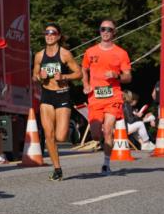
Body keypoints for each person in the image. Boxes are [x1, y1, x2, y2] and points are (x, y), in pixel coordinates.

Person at [81, 19, 132, 175]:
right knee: (96, 135)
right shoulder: (90, 52)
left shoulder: (121, 53)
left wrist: (116, 75)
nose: (106, 32)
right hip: (95, 97)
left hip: (113, 96)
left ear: (114, 32)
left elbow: (128, 77)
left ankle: (106, 164)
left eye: (109, 29)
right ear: (99, 31)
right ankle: (100, 140)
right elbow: (84, 69)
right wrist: (85, 84)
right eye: (103, 29)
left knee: (108, 129)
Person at [31, 22, 82, 180]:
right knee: (49, 135)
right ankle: (57, 169)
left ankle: (70, 125)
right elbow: (34, 76)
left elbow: (79, 73)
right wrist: (40, 77)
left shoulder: (65, 54)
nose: (49, 35)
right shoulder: (39, 55)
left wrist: (64, 76)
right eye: (47, 33)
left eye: (53, 33)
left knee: (60, 136)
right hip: (47, 96)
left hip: (62, 94)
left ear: (58, 36)